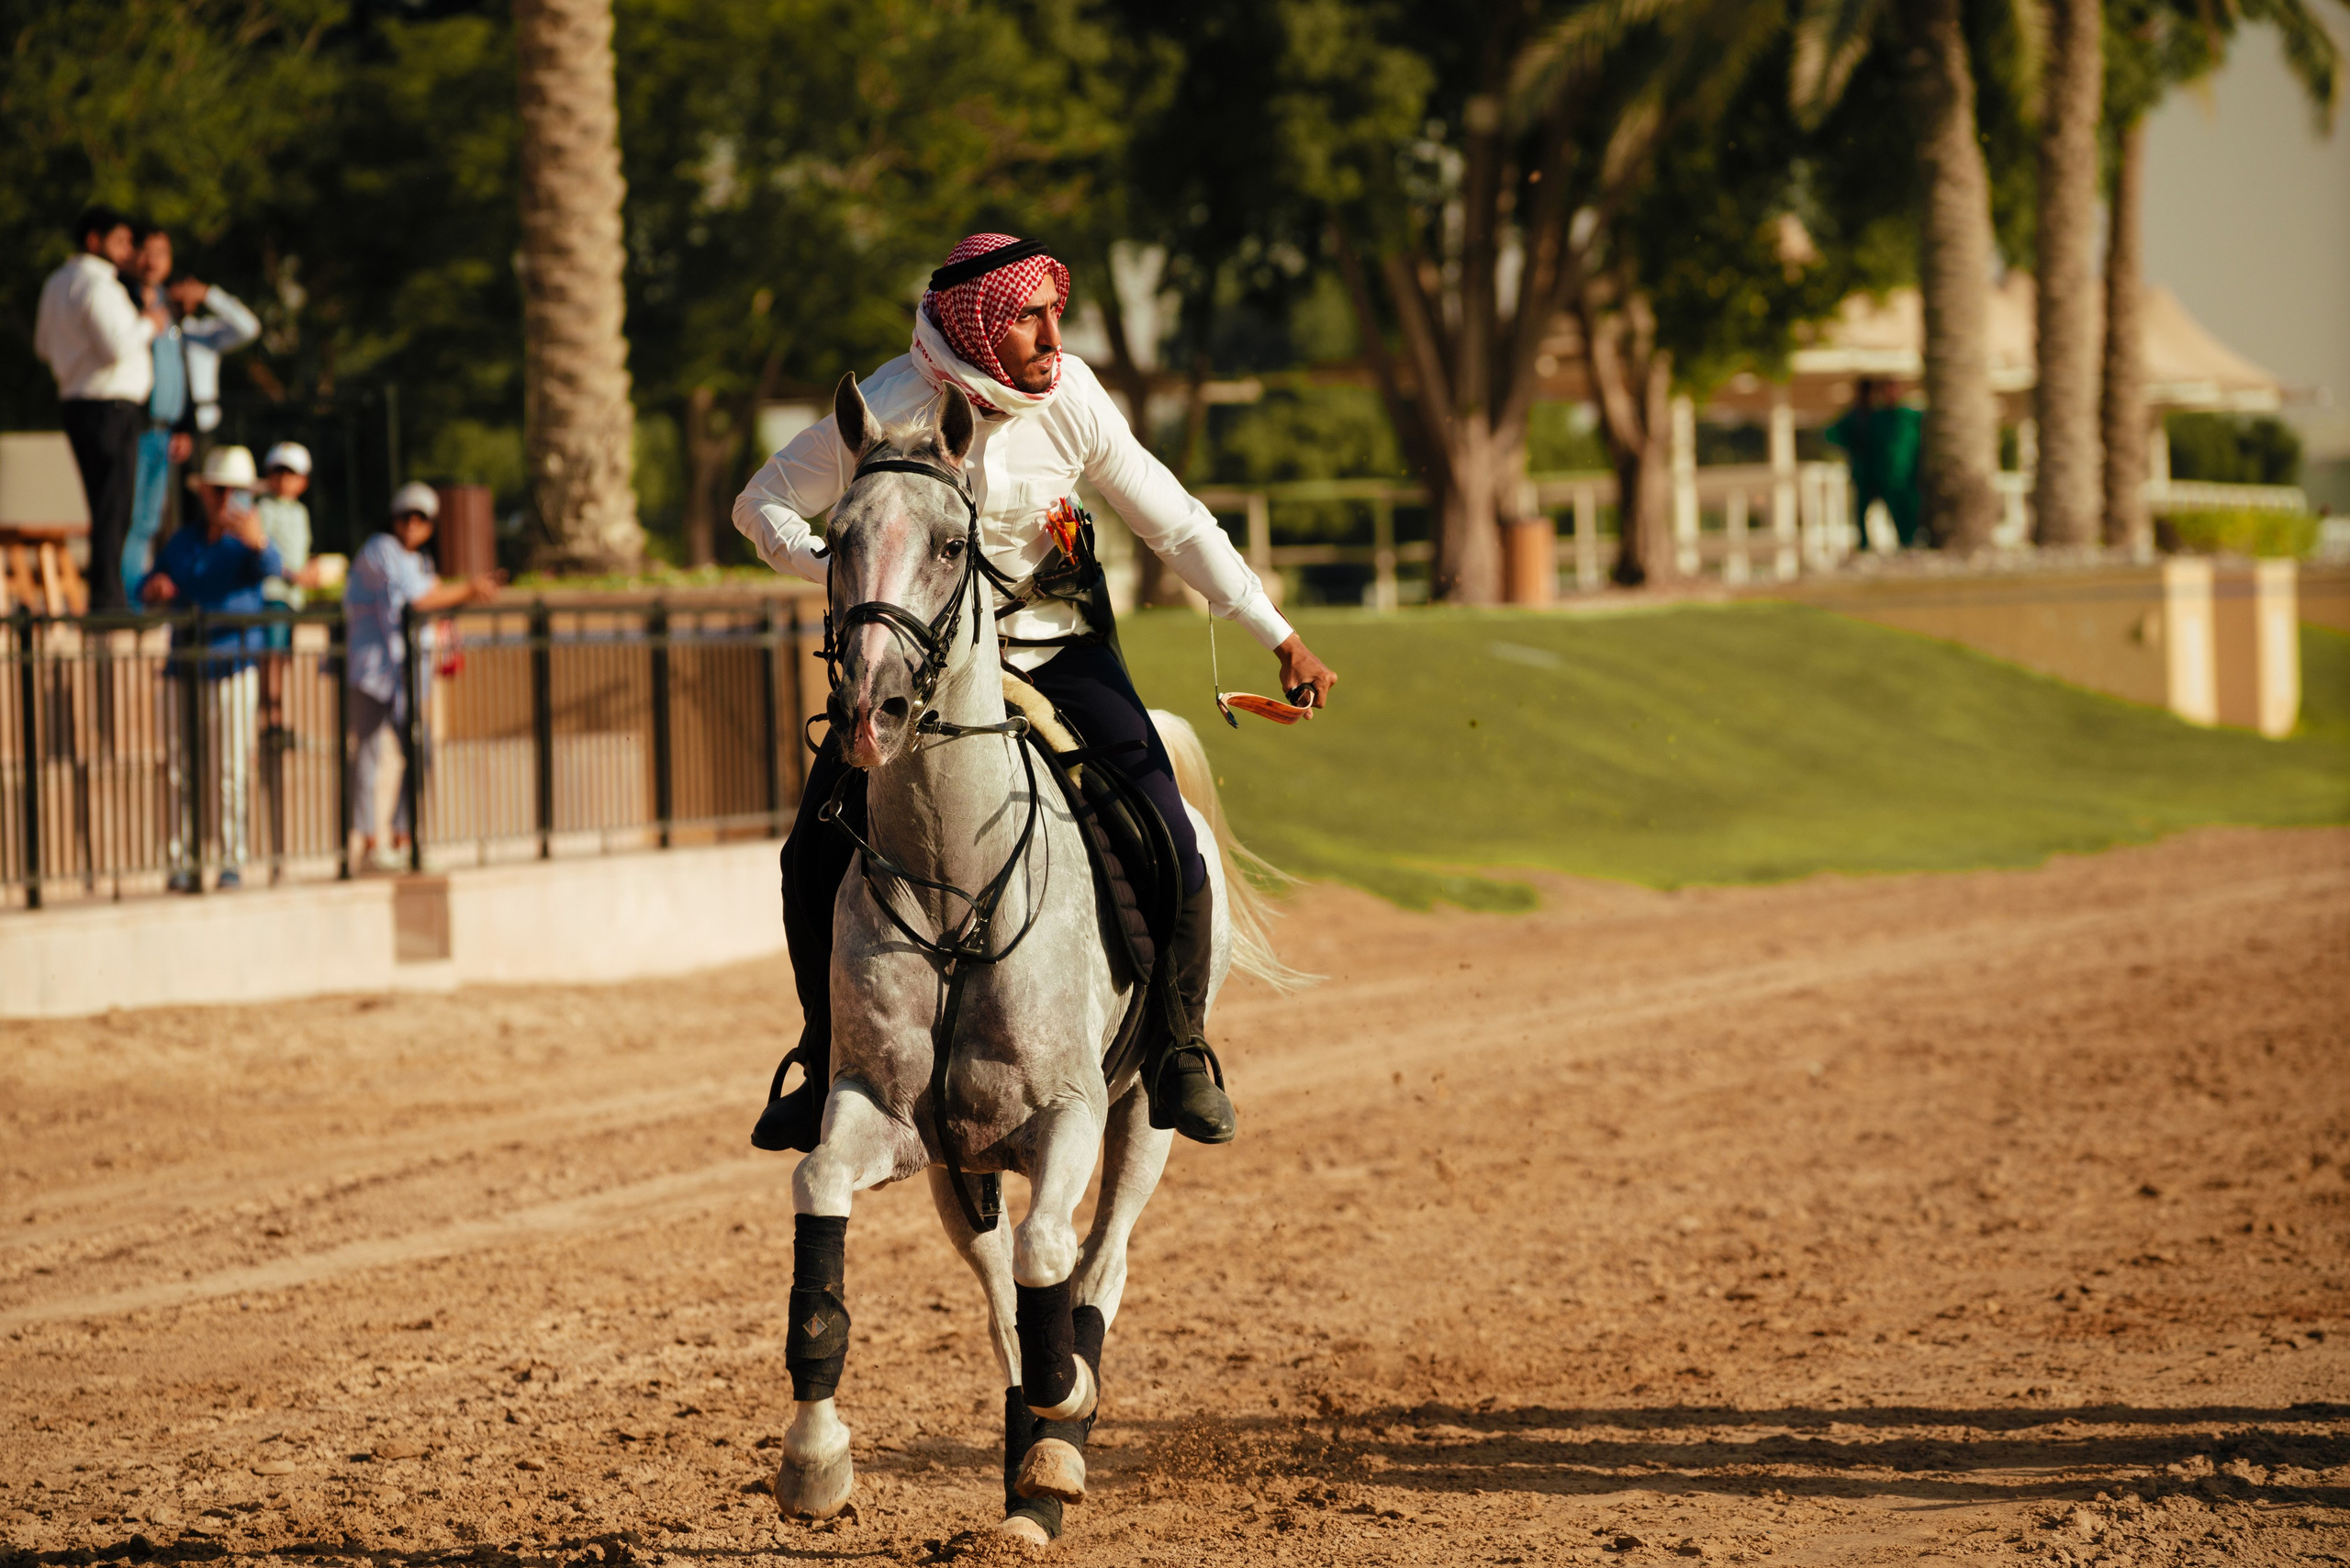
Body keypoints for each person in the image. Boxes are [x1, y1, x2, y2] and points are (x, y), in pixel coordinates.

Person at [733, 232, 1339, 1152]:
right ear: (979, 324)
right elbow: (760, 503)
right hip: (917, 679)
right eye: (1032, 317)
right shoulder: (886, 405)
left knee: (1171, 835)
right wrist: (841, 567)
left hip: (1056, 652)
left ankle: (1180, 1047)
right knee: (806, 857)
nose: (1054, 335)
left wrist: (1279, 636)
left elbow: (1175, 524)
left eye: (1057, 313)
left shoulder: (1073, 396)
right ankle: (822, 1061)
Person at [140, 445, 279, 891]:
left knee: (230, 768)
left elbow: (274, 569)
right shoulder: (184, 540)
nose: (225, 499)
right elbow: (147, 583)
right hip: (184, 667)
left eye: (233, 491)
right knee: (178, 768)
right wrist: (155, 588)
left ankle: (231, 858)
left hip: (233, 666)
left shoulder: (250, 542)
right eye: (217, 490)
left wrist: (259, 542)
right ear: (203, 492)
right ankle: (180, 861)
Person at [343, 482, 499, 870]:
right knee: (368, 756)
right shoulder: (380, 548)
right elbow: (414, 601)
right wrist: (468, 589)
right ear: (393, 519)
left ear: (431, 525)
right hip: (372, 671)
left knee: (420, 752)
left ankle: (402, 837)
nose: (412, 524)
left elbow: (429, 596)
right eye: (405, 516)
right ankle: (369, 844)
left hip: (404, 677)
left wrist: (459, 593)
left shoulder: (420, 561)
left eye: (421, 518)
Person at [34, 206, 168, 611]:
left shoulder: (57, 284)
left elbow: (43, 346)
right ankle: (109, 599)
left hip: (77, 402)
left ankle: (107, 594)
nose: (128, 251)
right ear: (95, 240)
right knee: (114, 506)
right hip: (110, 406)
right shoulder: (96, 285)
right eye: (121, 241)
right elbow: (118, 346)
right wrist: (149, 323)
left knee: (104, 504)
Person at [120, 225, 263, 602]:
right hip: (160, 428)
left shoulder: (203, 333)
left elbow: (249, 327)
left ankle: (207, 586)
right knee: (158, 519)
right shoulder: (153, 319)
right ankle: (158, 588)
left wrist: (209, 294)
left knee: (208, 516)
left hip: (198, 434)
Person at [1824, 377, 1925, 550]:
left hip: (1905, 478)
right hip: (1874, 476)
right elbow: (1832, 434)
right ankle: (1865, 545)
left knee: (1906, 512)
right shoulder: (1870, 418)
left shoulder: (1910, 417)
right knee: (1864, 512)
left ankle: (1908, 543)